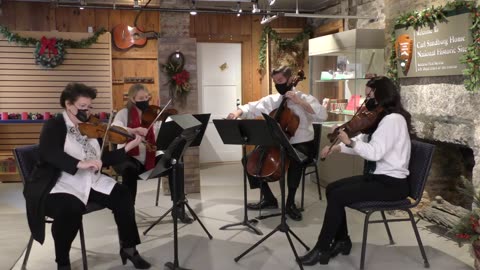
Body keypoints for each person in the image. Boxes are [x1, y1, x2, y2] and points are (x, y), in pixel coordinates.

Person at [24, 83, 151, 269]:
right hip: (59, 183)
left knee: (123, 195)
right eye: (82, 107)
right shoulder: (55, 125)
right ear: (68, 104)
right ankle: (63, 262)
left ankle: (129, 248)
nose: (87, 111)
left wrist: (128, 147)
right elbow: (49, 153)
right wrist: (79, 163)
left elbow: (100, 159)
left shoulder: (91, 126)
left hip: (90, 181)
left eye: (89, 106)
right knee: (70, 209)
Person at [299, 76, 414, 265]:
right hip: (379, 178)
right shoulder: (383, 119)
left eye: (370, 95)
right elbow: (365, 142)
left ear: (381, 95)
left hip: (392, 184)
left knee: (337, 196)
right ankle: (342, 241)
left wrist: (349, 141)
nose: (367, 101)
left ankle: (322, 248)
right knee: (332, 189)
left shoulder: (393, 120)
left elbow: (374, 153)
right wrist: (338, 147)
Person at [227, 66, 327, 221]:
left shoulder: (304, 98)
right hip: (278, 143)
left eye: (280, 81)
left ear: (289, 79)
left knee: (295, 160)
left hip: (302, 144)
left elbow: (322, 115)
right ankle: (268, 199)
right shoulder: (273, 100)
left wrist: (299, 102)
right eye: (275, 82)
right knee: (247, 160)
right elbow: (250, 107)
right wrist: (237, 112)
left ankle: (290, 203)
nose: (278, 84)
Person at [112, 84, 192, 223]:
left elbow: (159, 136)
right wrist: (134, 130)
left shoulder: (153, 114)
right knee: (129, 169)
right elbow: (115, 127)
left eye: (147, 97)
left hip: (149, 156)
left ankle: (178, 207)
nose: (145, 100)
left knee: (175, 163)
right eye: (141, 98)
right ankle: (128, 211)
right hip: (128, 157)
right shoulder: (124, 113)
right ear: (132, 99)